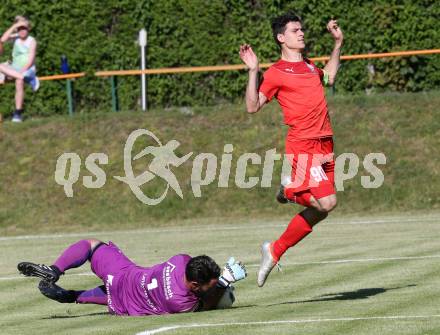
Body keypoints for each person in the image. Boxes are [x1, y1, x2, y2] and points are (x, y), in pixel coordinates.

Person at [239, 12, 343, 287]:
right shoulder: (275, 72)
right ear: (281, 37)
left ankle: (274, 250)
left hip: (326, 143)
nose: (301, 33)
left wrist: (337, 44)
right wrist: (253, 71)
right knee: (329, 201)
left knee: (321, 210)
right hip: (303, 145)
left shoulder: (310, 67)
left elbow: (330, 76)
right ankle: (290, 190)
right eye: (295, 30)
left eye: (301, 29)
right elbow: (252, 106)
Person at [18, 239, 247, 316]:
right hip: (124, 301)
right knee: (111, 296)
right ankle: (70, 296)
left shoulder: (180, 259)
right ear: (195, 285)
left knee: (91, 245)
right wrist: (225, 283)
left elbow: (199, 276)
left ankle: (54, 270)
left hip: (124, 274)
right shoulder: (179, 302)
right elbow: (207, 305)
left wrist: (217, 277)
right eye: (210, 284)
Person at [0, 16, 40, 122]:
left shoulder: (32, 41)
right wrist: (15, 25)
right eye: (19, 29)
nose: (22, 31)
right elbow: (2, 40)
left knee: (19, 80)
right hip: (15, 70)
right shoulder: (16, 37)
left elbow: (30, 61)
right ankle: (17, 76)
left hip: (27, 70)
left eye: (24, 28)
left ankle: (17, 114)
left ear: (28, 29)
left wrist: (21, 72)